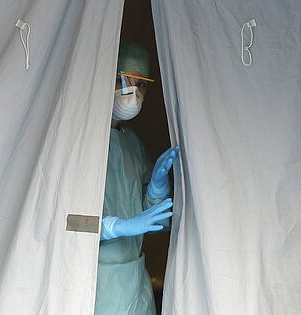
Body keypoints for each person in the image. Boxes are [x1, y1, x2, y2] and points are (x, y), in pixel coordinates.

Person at [95, 42, 180, 315]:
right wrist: (115, 227)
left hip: (134, 284)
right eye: (126, 80)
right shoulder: (80, 142)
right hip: (96, 281)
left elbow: (151, 222)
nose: (133, 92)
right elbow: (64, 220)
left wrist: (156, 189)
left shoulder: (131, 143)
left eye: (141, 84)